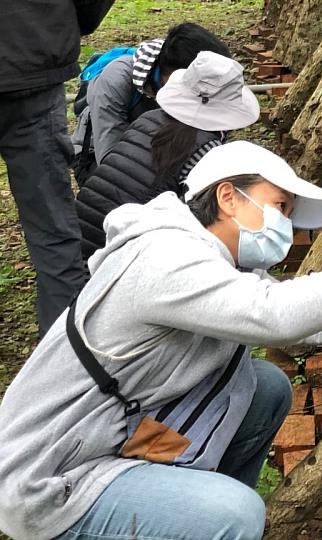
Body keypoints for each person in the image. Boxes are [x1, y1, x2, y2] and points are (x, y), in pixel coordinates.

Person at [0, 140, 322, 540]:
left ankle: (185, 533)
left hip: (104, 438)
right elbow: (277, 314)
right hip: (49, 481)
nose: (284, 224)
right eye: (279, 206)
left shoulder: (214, 260)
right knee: (239, 520)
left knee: (263, 388)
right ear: (227, 197)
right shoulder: (164, 258)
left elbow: (299, 333)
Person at [76, 51, 260, 261]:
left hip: (81, 233)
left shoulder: (150, 118)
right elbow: (201, 222)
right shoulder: (206, 150)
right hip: (115, 250)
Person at [0, 0, 114, 336]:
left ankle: (65, 354)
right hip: (32, 57)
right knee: (53, 230)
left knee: (54, 229)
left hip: (33, 62)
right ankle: (66, 358)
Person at [71, 22, 230, 183]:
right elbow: (111, 160)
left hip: (159, 151)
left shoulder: (196, 83)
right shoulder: (115, 81)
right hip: (98, 157)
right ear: (176, 74)